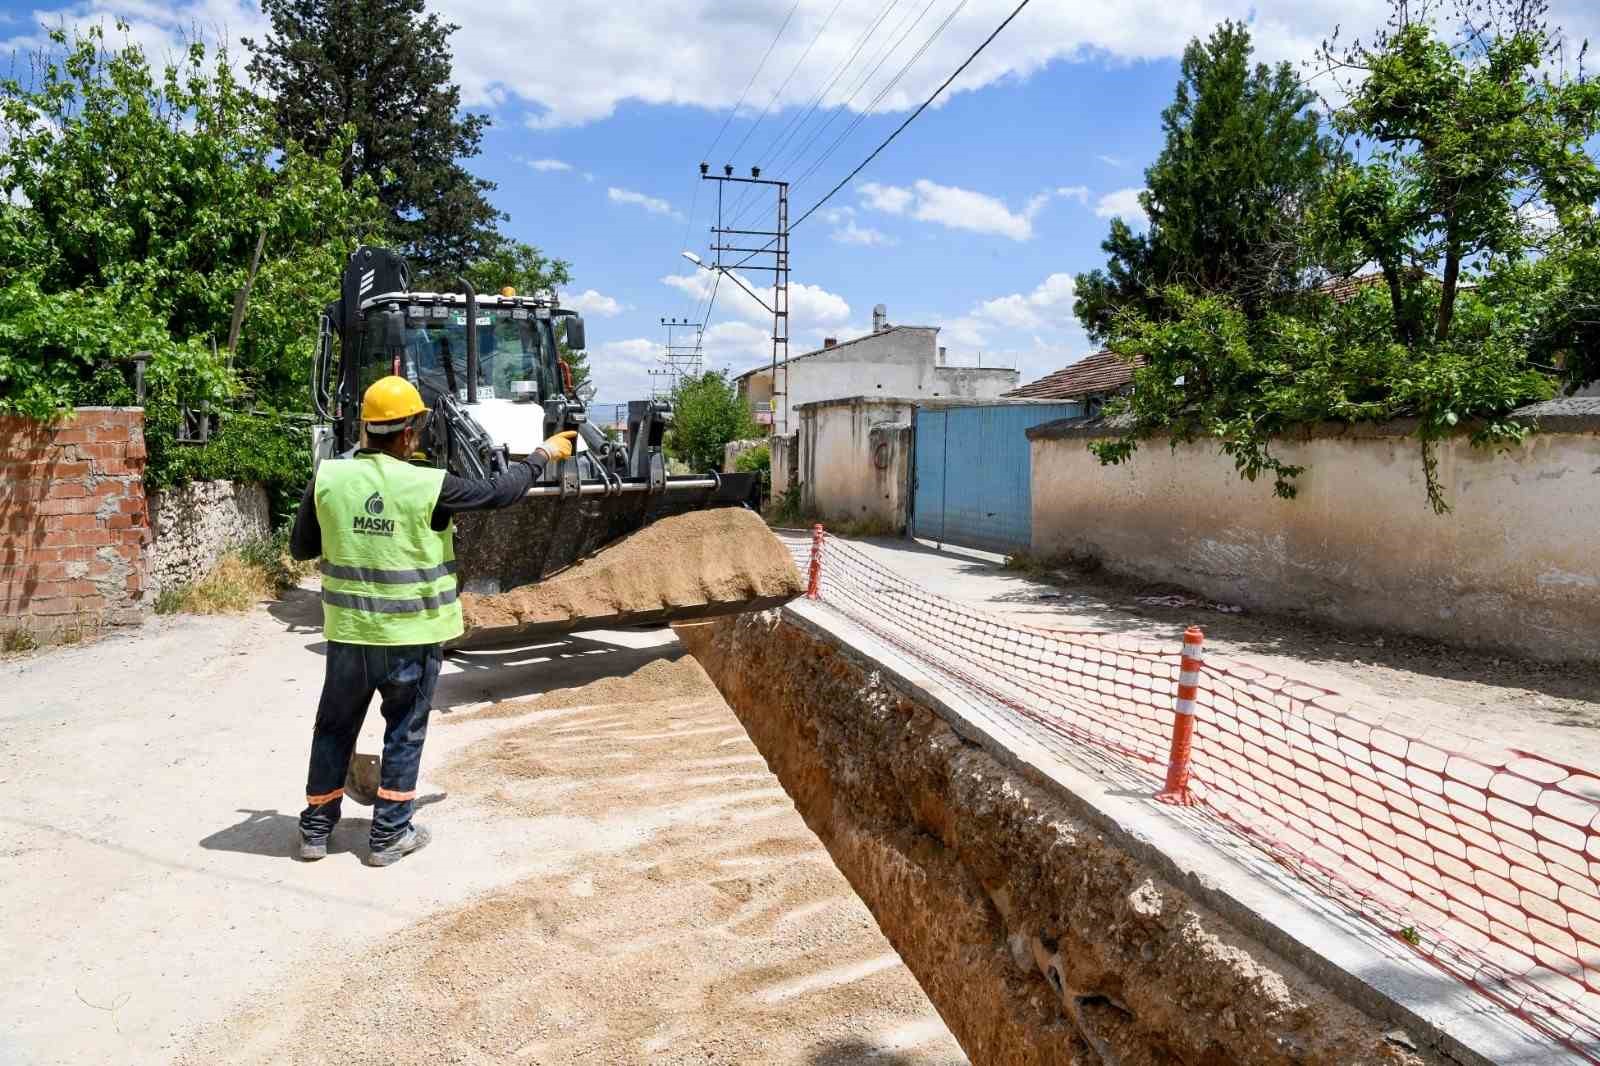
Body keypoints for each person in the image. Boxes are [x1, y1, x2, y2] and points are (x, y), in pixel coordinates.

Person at [288, 375, 575, 866]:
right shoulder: (429, 485)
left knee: (334, 728)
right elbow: (499, 494)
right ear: (408, 433)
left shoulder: (329, 477)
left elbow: (301, 548)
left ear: (366, 429)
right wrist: (542, 455)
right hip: (412, 637)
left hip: (350, 637)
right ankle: (389, 836)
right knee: (404, 730)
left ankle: (316, 829)